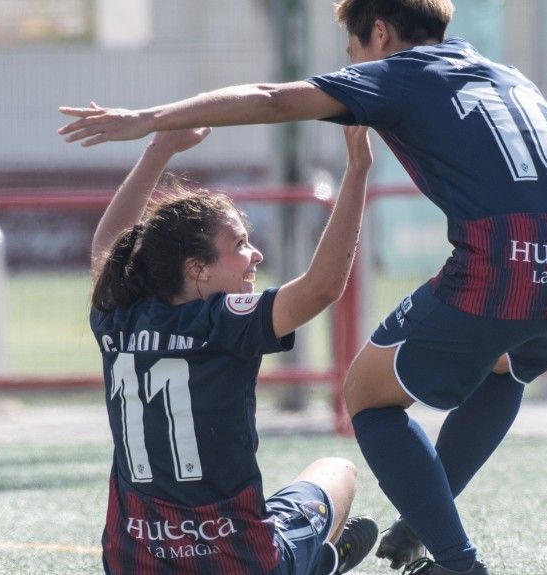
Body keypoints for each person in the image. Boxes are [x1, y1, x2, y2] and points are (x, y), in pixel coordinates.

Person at [61, 2, 547, 573]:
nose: (353, 68)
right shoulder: (510, 80)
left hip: (505, 265)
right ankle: (420, 524)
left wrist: (147, 122)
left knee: (367, 394)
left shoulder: (397, 74)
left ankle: (457, 562)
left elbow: (273, 99)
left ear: (381, 32)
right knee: (505, 366)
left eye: (353, 52)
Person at [87, 125, 379, 575]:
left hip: (135, 561)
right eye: (240, 244)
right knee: (338, 468)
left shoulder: (117, 317)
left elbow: (107, 250)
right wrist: (358, 171)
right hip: (239, 563)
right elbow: (322, 288)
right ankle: (318, 563)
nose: (255, 255)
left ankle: (317, 560)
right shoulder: (221, 322)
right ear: (197, 269)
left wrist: (159, 150)